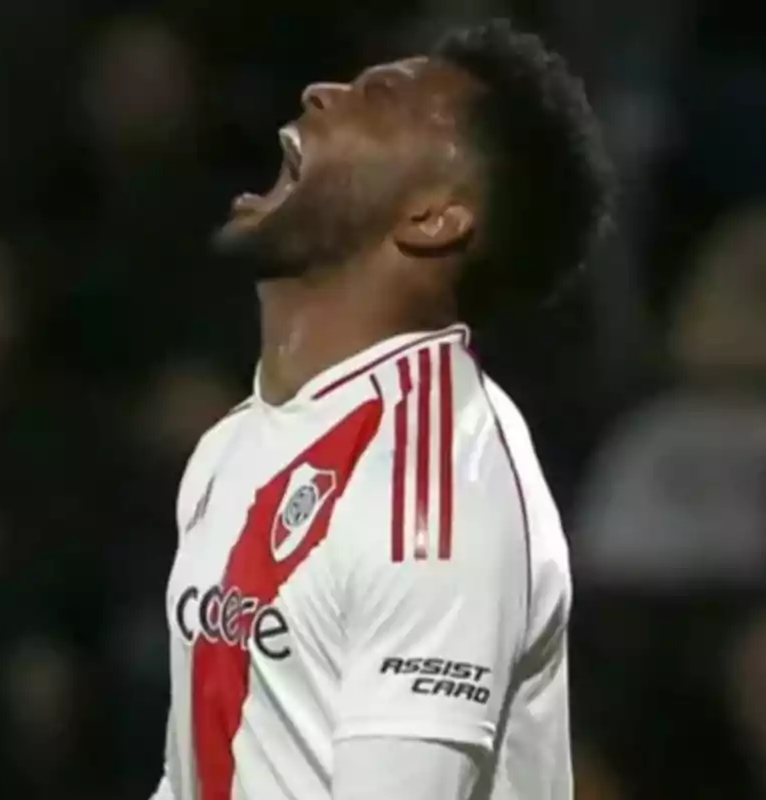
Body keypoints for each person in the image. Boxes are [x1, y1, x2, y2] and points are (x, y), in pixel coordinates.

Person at [153, 19, 611, 800]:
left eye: (383, 97)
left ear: (433, 217)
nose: (320, 92)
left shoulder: (433, 494)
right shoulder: (235, 443)